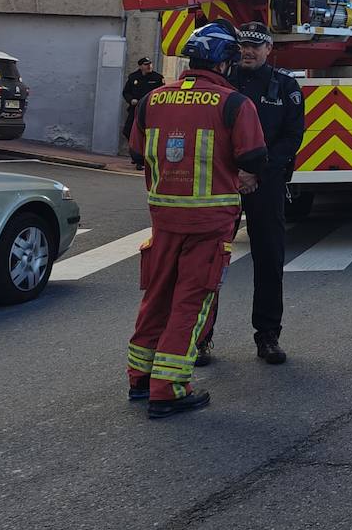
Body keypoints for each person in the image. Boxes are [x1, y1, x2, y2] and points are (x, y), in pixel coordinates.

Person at [126, 21, 267, 419]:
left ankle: (140, 376)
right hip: (209, 222)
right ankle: (168, 389)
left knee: (157, 297)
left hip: (163, 218)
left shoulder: (152, 100)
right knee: (191, 302)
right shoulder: (234, 103)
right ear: (224, 63)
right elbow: (253, 158)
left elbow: (137, 152)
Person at [196, 22, 305, 367]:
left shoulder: (285, 86)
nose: (248, 51)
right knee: (209, 259)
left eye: (256, 46)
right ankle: (200, 336)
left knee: (269, 259)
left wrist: (256, 171)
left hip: (265, 182)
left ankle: (267, 336)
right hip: (222, 180)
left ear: (269, 49)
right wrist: (235, 173)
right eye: (243, 45)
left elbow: (291, 138)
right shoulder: (224, 83)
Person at [121, 58, 164, 167]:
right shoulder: (133, 77)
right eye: (146, 64)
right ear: (140, 66)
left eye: (150, 64)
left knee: (146, 134)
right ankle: (135, 155)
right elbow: (126, 92)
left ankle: (142, 158)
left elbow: (162, 92)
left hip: (150, 110)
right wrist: (131, 100)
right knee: (128, 131)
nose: (149, 66)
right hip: (135, 109)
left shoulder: (157, 78)